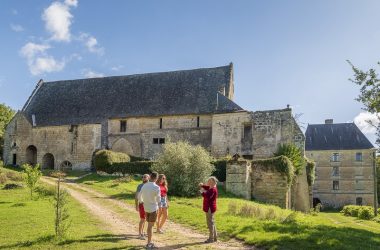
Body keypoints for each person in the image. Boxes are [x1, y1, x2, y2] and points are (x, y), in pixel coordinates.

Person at [139, 172, 161, 249]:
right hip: (153, 209)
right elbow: (158, 199)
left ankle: (150, 242)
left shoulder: (144, 185)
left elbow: (139, 196)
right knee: (150, 227)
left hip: (146, 208)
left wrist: (142, 202)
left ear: (150, 177)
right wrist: (159, 206)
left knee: (149, 225)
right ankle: (149, 244)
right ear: (156, 178)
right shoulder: (156, 187)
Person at [199, 176, 218, 243]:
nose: (207, 182)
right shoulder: (211, 187)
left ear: (212, 182)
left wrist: (202, 191)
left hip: (210, 208)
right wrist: (202, 185)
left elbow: (207, 196)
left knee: (210, 223)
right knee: (212, 222)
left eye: (209, 181)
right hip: (211, 208)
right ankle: (215, 237)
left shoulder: (213, 189)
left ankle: (211, 238)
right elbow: (207, 187)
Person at [135, 174, 150, 240]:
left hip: (149, 204)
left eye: (145, 177)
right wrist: (136, 205)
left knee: (145, 219)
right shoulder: (140, 186)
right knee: (142, 219)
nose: (143, 178)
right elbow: (136, 196)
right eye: (143, 177)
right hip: (142, 204)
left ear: (149, 178)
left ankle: (142, 232)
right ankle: (140, 234)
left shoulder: (150, 185)